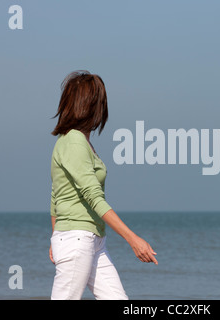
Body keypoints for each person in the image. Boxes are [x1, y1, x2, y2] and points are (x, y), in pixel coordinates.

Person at [49, 70, 157, 300]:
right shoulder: (74, 141)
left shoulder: (78, 142)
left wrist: (55, 235)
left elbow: (55, 195)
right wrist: (132, 239)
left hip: (92, 241)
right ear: (93, 105)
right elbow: (93, 197)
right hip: (77, 239)